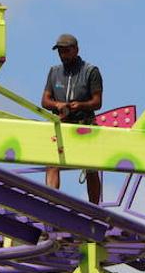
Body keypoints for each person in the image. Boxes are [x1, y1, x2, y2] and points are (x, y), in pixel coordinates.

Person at [41, 33, 103, 204]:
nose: (63, 55)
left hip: (85, 123)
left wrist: (80, 105)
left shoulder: (91, 71)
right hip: (61, 123)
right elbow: (45, 101)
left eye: (66, 51)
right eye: (60, 52)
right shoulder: (54, 72)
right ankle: (51, 203)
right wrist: (58, 105)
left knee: (91, 167)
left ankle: (94, 208)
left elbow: (97, 102)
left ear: (76, 50)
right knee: (52, 163)